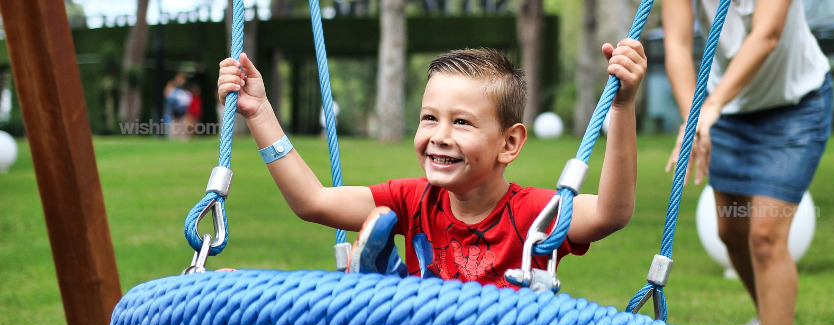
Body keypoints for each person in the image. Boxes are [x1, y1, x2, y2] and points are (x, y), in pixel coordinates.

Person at [216, 42, 646, 289]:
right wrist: (259, 112)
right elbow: (312, 201)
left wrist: (622, 107)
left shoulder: (536, 215)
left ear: (509, 143)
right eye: (428, 118)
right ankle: (254, 312)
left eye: (461, 122)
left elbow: (611, 213)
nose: (439, 135)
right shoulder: (410, 201)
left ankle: (377, 290)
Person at [661, 0, 833, 325]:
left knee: (764, 236)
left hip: (794, 108)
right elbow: (679, 47)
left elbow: (767, 36)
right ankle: (766, 316)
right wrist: (692, 119)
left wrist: (710, 108)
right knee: (731, 232)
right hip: (728, 114)